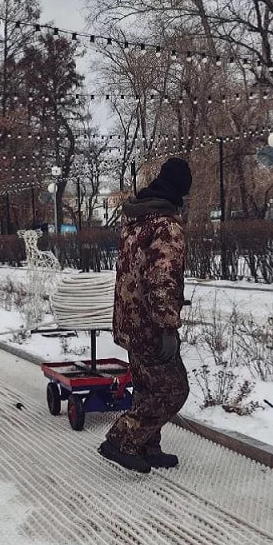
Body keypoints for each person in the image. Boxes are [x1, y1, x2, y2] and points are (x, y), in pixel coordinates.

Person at [100, 157, 192, 474]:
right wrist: (168, 326)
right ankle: (121, 440)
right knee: (173, 390)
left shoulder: (136, 222)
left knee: (147, 388)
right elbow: (161, 279)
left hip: (128, 320)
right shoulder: (166, 227)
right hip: (151, 325)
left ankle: (147, 445)